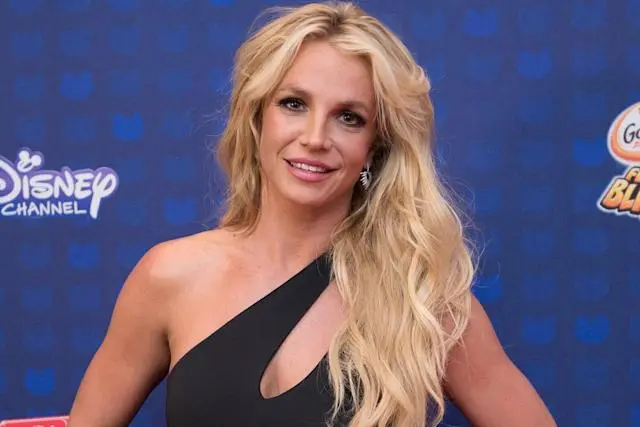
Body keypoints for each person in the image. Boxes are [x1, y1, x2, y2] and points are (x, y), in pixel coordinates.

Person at [68, 2, 557, 426]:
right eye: (293, 104)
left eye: (349, 117)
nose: (316, 137)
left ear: (374, 147)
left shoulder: (421, 297)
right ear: (257, 119)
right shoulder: (168, 277)